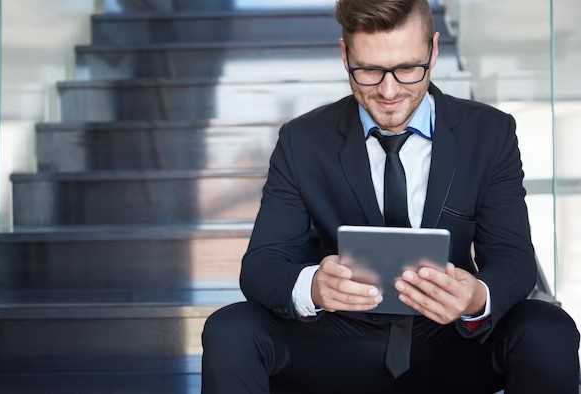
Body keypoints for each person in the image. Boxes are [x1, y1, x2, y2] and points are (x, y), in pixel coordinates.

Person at [201, 0, 580, 393]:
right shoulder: (302, 140)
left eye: (407, 68)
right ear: (345, 54)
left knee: (548, 329)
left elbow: (513, 259)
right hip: (340, 342)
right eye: (368, 70)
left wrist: (474, 297)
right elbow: (261, 265)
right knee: (231, 330)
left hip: (451, 343)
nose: (389, 90)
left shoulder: (490, 133)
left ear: (433, 50)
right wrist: (314, 287)